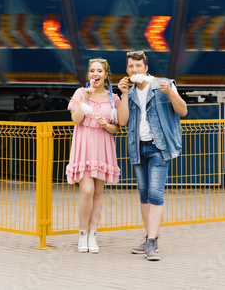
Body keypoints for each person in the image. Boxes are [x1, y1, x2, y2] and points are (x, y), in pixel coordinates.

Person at [117, 51, 187, 261]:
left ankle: (152, 243)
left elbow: (183, 111)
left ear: (146, 67)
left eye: (138, 66)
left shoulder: (164, 85)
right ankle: (149, 238)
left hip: (159, 147)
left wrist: (172, 93)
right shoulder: (128, 92)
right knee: (144, 194)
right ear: (127, 70)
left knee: (156, 195)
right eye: (131, 67)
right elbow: (122, 122)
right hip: (138, 147)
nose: (135, 70)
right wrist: (122, 94)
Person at [66, 58, 120, 253]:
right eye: (92, 70)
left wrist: (106, 125)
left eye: (99, 71)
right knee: (87, 190)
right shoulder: (80, 93)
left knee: (98, 193)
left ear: (106, 75)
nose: (95, 74)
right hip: (84, 147)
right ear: (88, 74)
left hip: (103, 147)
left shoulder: (114, 98)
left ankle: (93, 236)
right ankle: (82, 234)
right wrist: (86, 100)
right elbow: (75, 119)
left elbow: (116, 128)